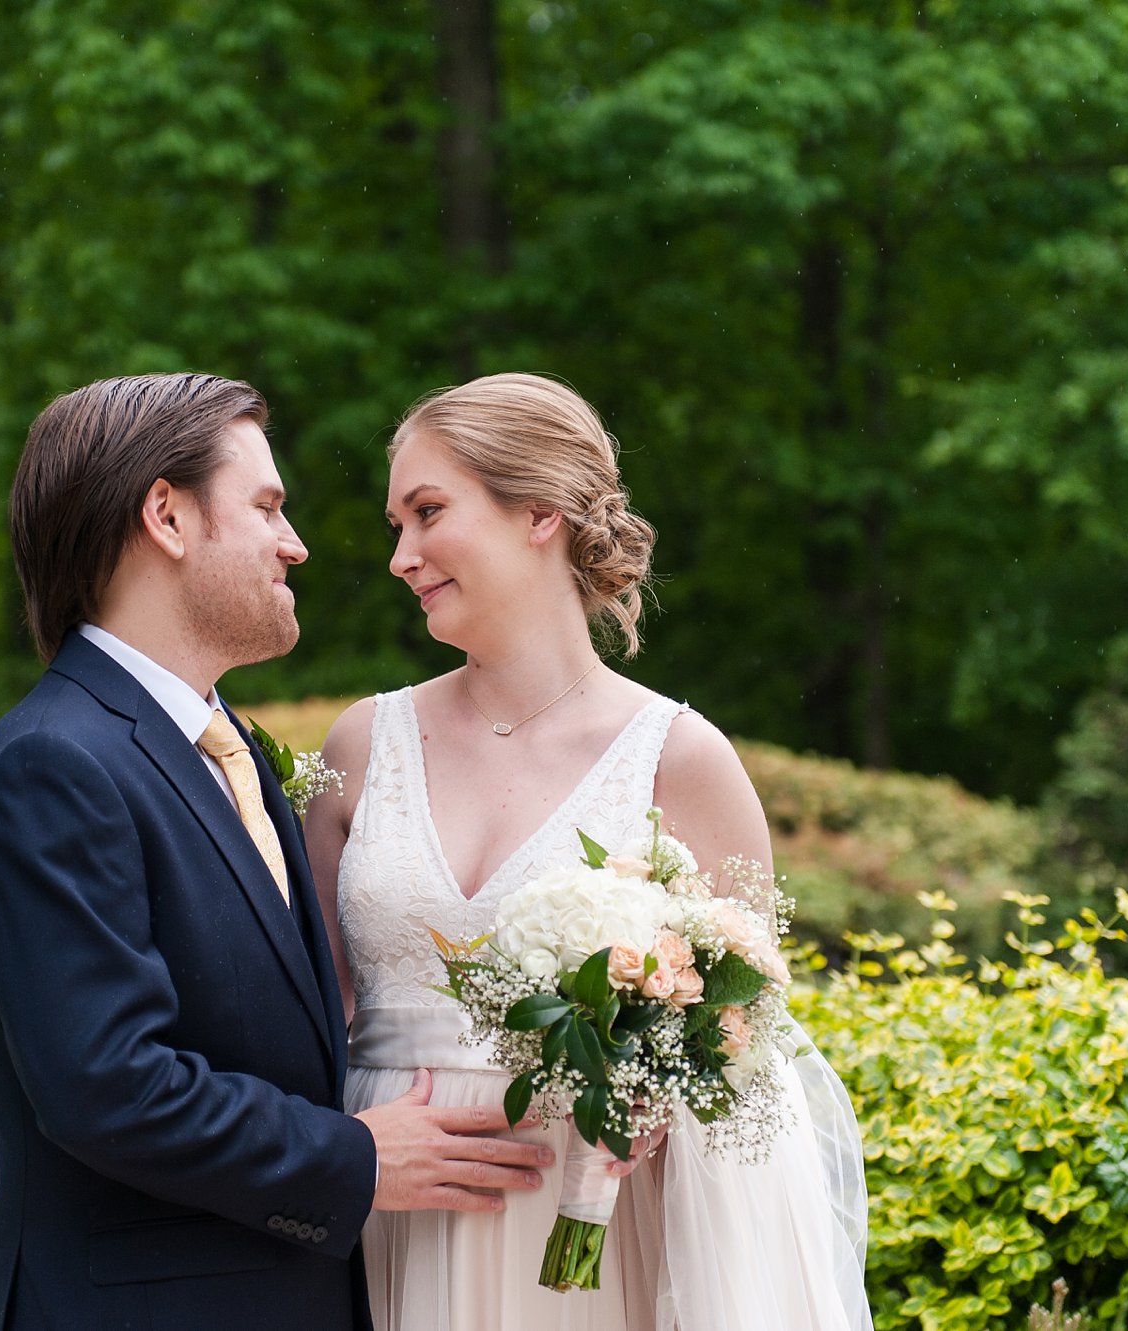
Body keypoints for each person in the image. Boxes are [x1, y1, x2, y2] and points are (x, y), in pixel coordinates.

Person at [0, 373, 555, 1331]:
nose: (295, 543)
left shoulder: (223, 748)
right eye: (267, 506)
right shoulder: (53, 762)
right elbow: (110, 1084)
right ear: (168, 517)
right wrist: (356, 1160)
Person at [306, 373, 874, 1331]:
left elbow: (744, 1057)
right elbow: (310, 1013)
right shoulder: (360, 746)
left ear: (541, 512)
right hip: (383, 1222)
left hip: (584, 1236)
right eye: (394, 525)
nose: (400, 555)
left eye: (428, 512)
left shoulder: (682, 761)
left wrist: (653, 1101)